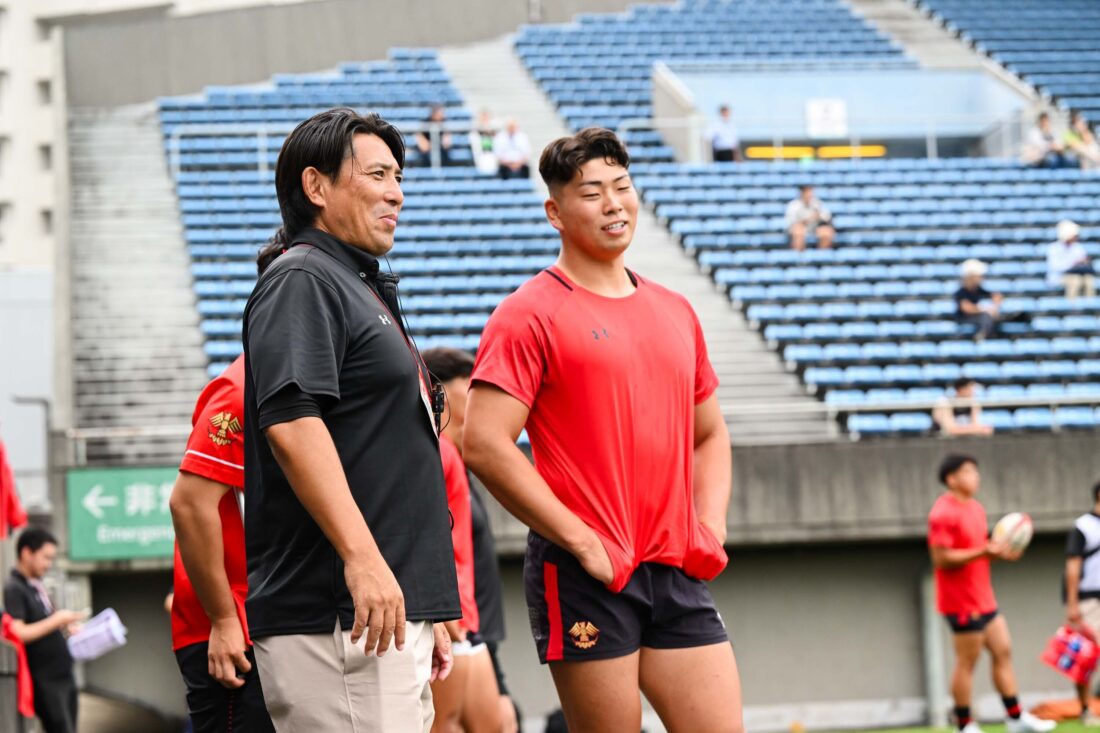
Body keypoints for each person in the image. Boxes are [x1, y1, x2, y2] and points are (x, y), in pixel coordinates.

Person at [464, 128, 743, 733]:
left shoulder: (674, 308)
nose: (614, 203)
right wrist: (582, 541)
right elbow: (484, 442)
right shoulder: (529, 312)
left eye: (622, 186)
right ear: (555, 212)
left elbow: (709, 435)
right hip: (585, 572)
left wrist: (711, 523)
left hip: (674, 565)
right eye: (592, 192)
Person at [242, 107, 460, 731]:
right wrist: (363, 561)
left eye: (399, 177)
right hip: (338, 614)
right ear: (317, 188)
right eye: (378, 175)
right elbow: (292, 422)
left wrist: (423, 602)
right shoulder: (303, 277)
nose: (397, 192)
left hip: (383, 613)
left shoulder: (353, 282)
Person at [167, 242, 282, 733]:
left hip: (278, 617)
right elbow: (190, 506)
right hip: (235, 629)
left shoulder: (294, 381)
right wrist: (224, 619)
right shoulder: (239, 389)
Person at [928, 455, 1055, 733]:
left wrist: (999, 554)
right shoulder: (942, 513)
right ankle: (965, 725)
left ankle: (1015, 718)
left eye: (976, 471)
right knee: (967, 662)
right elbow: (942, 559)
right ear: (952, 479)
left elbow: (978, 552)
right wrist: (985, 551)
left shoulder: (975, 508)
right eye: (969, 472)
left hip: (984, 597)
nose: (976, 477)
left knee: (1003, 650)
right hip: (960, 601)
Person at [422, 347, 507, 733]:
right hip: (451, 620)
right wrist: (445, 610)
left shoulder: (455, 458)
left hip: (471, 625)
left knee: (497, 723)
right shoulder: (433, 452)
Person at [3, 528, 86, 733]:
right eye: (45, 557)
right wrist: (57, 619)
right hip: (45, 680)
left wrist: (66, 627)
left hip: (63, 674)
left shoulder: (37, 585)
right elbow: (18, 631)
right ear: (26, 553)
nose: (48, 564)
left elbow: (46, 625)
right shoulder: (15, 587)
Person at [1064, 480, 1100, 726]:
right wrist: (1072, 604)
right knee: (1086, 657)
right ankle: (1086, 708)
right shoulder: (1083, 526)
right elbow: (1073, 566)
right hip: (1089, 600)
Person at [954, 259, 1004, 340]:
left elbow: (996, 296)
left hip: (979, 318)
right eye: (979, 276)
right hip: (965, 319)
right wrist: (986, 310)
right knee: (986, 317)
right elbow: (966, 308)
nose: (981, 278)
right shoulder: (961, 292)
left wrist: (995, 306)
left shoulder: (978, 290)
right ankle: (982, 336)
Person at [1047, 219, 1095, 299]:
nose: (1076, 237)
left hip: (1078, 274)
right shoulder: (1053, 248)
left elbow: (1082, 261)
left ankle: (1090, 306)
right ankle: (1072, 307)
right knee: (1075, 281)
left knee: (1089, 280)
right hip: (1059, 277)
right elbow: (1055, 266)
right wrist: (1073, 264)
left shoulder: (1078, 247)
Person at [785, 184, 834, 251]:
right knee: (798, 231)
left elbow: (827, 217)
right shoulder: (794, 205)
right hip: (800, 229)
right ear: (802, 193)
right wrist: (807, 220)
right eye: (807, 192)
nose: (809, 194)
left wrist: (819, 216)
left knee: (826, 232)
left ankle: (821, 258)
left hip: (815, 228)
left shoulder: (817, 203)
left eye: (810, 192)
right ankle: (799, 258)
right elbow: (791, 223)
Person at [470, 109, 499, 175]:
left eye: (486, 117)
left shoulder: (495, 133)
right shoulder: (475, 133)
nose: (485, 119)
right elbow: (476, 148)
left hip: (492, 155)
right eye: (483, 117)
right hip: (481, 155)